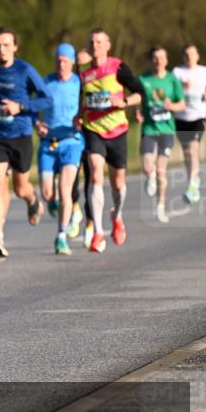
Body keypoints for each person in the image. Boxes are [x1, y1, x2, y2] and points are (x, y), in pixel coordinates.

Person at [0, 26, 52, 259]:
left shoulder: (25, 70)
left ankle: (32, 199)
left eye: (6, 45)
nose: (1, 49)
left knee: (20, 187)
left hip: (21, 135)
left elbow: (47, 99)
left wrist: (21, 107)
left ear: (15, 47)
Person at [77, 28, 145, 253]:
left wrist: (124, 102)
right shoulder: (83, 71)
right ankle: (98, 232)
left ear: (108, 45)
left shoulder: (118, 67)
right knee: (95, 171)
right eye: (91, 42)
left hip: (117, 130)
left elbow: (140, 93)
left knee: (118, 184)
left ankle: (117, 215)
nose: (95, 46)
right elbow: (80, 98)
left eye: (99, 42)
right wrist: (78, 115)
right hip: (93, 129)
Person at [37, 43, 84, 255]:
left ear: (72, 62)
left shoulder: (80, 83)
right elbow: (32, 107)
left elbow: (88, 105)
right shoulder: (45, 83)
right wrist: (36, 124)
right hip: (48, 143)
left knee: (65, 190)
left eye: (65, 61)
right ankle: (56, 205)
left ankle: (62, 236)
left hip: (71, 141)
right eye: (58, 61)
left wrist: (83, 120)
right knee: (48, 194)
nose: (61, 65)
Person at [138, 46, 186, 223]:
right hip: (149, 129)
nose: (158, 61)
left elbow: (182, 104)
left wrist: (171, 106)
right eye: (155, 58)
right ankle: (149, 177)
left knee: (160, 169)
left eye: (162, 58)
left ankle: (160, 206)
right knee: (147, 166)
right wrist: (137, 112)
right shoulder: (143, 79)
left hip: (166, 129)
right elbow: (137, 99)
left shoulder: (172, 80)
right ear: (151, 60)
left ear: (166, 60)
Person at [171, 44, 206, 205]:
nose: (190, 57)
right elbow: (170, 92)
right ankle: (192, 181)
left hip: (198, 116)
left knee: (193, 149)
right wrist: (181, 87)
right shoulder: (177, 72)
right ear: (183, 57)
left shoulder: (205, 71)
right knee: (187, 152)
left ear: (197, 56)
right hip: (181, 117)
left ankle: (193, 185)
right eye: (186, 54)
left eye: (192, 54)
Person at [75, 48, 94, 247]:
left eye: (85, 65)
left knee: (91, 180)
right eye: (77, 66)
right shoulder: (71, 83)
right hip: (73, 136)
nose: (81, 70)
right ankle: (74, 208)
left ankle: (90, 224)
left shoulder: (96, 82)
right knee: (69, 178)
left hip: (92, 134)